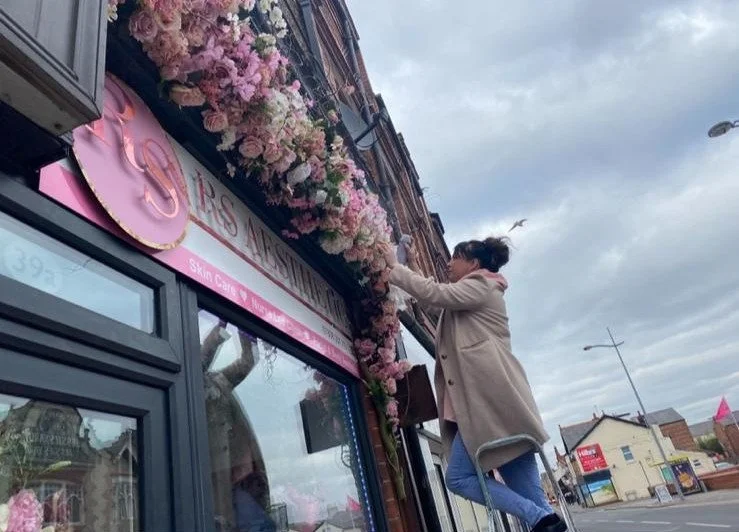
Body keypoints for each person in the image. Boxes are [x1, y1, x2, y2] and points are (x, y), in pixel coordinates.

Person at [382, 237, 566, 532]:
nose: (448, 263)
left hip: (488, 407)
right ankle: (542, 518)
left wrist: (393, 266)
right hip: (497, 409)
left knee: (457, 479)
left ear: (474, 264)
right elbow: (434, 303)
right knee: (535, 501)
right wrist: (413, 264)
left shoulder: (482, 285)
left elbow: (436, 294)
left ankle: (538, 517)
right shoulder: (469, 297)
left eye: (455, 257)